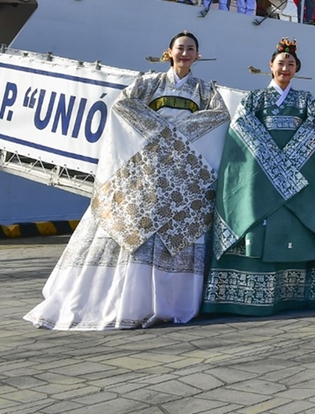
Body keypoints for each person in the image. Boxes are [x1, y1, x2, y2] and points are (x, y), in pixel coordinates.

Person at [25, 32, 229, 330]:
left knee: (177, 231)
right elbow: (123, 107)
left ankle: (172, 302)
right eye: (180, 48)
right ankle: (131, 300)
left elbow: (219, 117)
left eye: (191, 49)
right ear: (168, 52)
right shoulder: (147, 84)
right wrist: (162, 132)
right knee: (136, 228)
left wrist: (176, 136)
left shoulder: (205, 91)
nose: (185, 53)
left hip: (181, 176)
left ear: (199, 55)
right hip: (146, 173)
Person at [202, 39, 315, 316]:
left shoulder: (306, 100)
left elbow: (314, 129)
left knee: (292, 226)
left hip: (298, 176)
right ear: (271, 66)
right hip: (261, 179)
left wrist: (286, 166)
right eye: (280, 63)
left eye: (290, 64)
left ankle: (294, 296)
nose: (285, 68)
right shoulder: (254, 99)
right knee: (258, 226)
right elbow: (243, 129)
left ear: (297, 69)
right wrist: (275, 165)